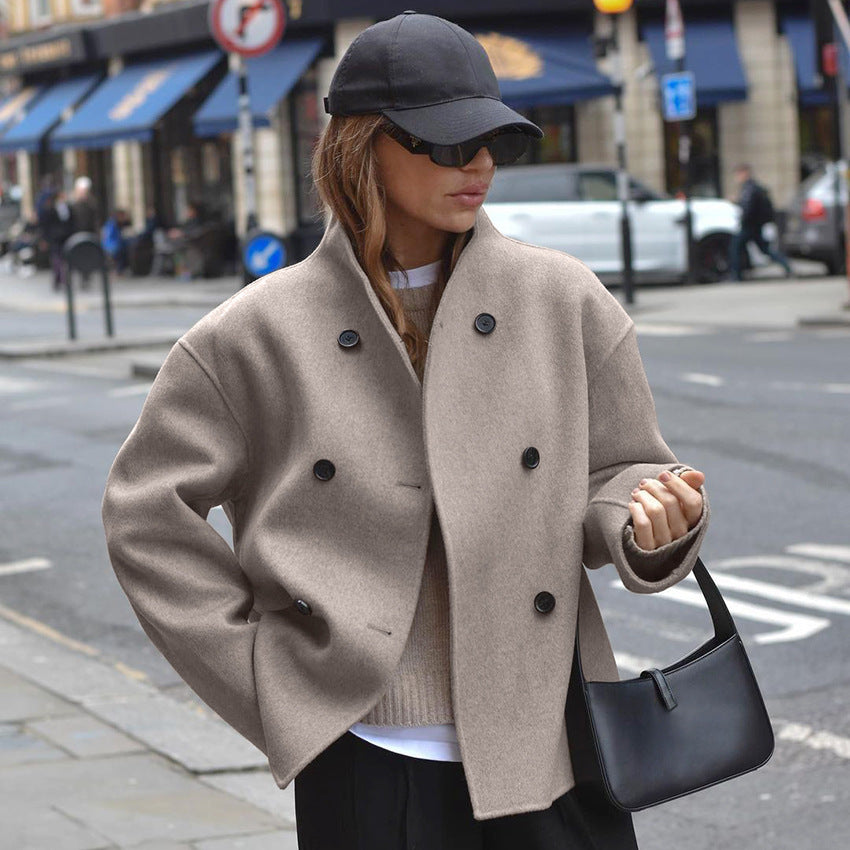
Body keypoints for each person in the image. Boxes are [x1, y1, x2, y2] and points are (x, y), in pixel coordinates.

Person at [101, 12, 711, 849]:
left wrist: (645, 515)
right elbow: (145, 514)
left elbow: (623, 467)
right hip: (368, 760)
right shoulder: (258, 333)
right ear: (362, 147)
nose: (481, 164)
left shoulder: (561, 300)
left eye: (491, 139)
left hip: (554, 740)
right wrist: (267, 680)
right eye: (450, 143)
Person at [728, 163, 792, 281]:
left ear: (745, 173)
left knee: (735, 248)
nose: (737, 177)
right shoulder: (752, 187)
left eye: (738, 174)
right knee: (764, 249)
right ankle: (786, 265)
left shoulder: (749, 188)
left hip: (750, 225)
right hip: (755, 225)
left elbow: (749, 207)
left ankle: (736, 275)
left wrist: (738, 204)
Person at [41, 189, 74, 292]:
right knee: (56, 259)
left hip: (66, 237)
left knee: (65, 259)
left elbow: (72, 222)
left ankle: (63, 278)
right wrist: (45, 239)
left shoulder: (68, 208)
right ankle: (58, 278)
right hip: (54, 238)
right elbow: (45, 225)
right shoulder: (50, 209)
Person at [70, 175, 99, 289]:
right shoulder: (74, 205)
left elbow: (95, 219)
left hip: (89, 234)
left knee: (89, 257)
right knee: (80, 257)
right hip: (77, 234)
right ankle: (83, 277)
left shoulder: (91, 204)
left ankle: (87, 276)